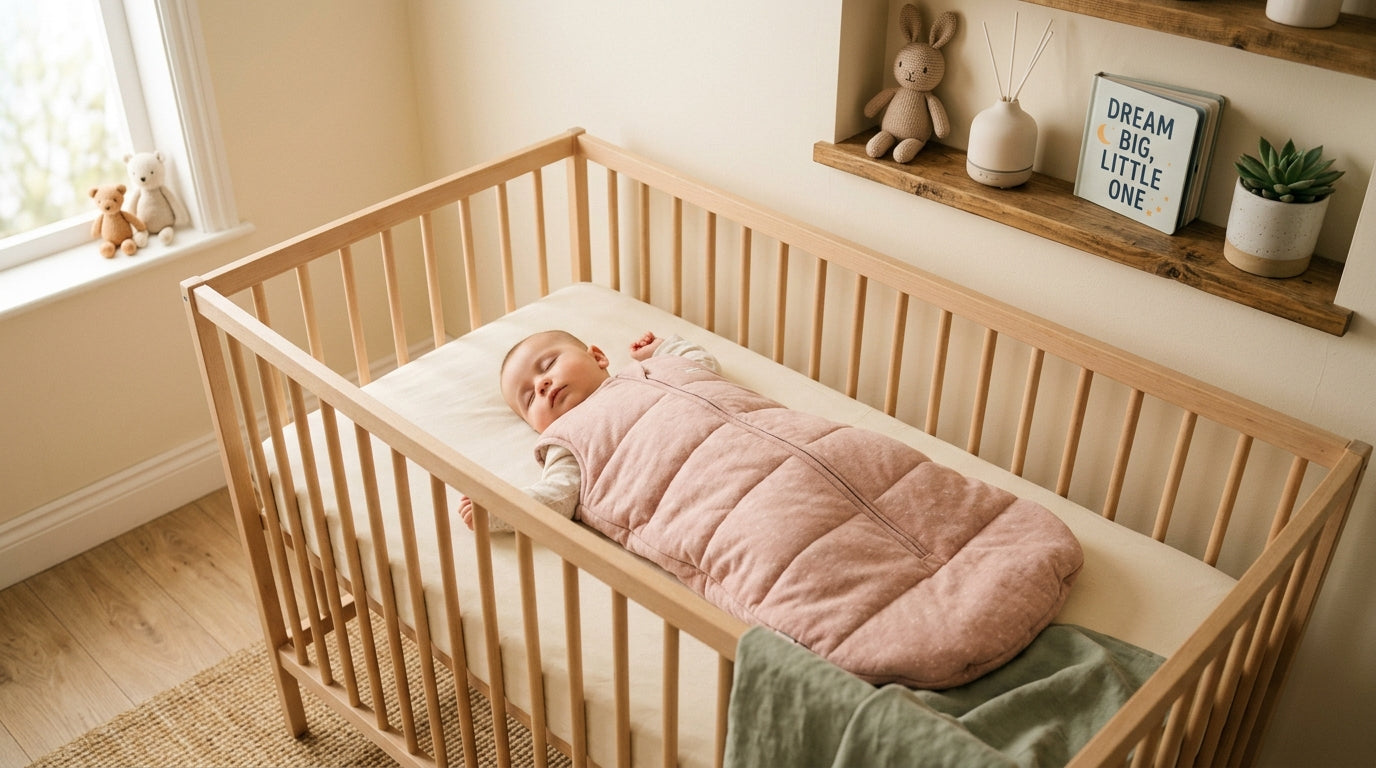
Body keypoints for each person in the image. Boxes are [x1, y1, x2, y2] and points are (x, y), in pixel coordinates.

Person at [457, 329, 718, 530]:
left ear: (597, 357)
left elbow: (699, 369)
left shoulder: (643, 374)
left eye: (548, 365)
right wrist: (497, 508)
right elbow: (556, 496)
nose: (541, 384)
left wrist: (664, 349)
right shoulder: (570, 440)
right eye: (529, 398)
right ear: (537, 428)